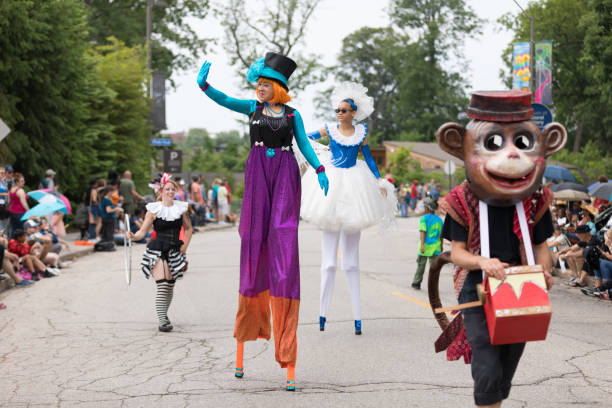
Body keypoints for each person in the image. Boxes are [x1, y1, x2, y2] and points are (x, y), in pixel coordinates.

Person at [196, 52, 329, 391]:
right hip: (257, 174)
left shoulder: (293, 114)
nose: (259, 89)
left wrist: (319, 168)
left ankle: (286, 349)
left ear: (278, 87)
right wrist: (205, 86)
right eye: (257, 84)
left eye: (265, 85)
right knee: (253, 244)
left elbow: (303, 145)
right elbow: (225, 100)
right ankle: (248, 330)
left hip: (285, 175)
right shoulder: (252, 109)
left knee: (284, 247)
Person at [432, 90, 565, 407]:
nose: (511, 156)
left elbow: (540, 244)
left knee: (506, 365)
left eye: (522, 143)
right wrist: (482, 262)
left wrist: (544, 271)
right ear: (458, 145)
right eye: (493, 143)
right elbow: (458, 253)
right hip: (477, 288)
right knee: (487, 361)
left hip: (522, 286)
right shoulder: (461, 200)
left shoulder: (535, 200)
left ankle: (494, 400)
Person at [301, 81, 396, 335]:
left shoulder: (361, 132)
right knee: (329, 263)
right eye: (338, 110)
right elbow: (305, 138)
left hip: (356, 186)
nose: (340, 114)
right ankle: (322, 314)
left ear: (353, 112)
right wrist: (317, 157)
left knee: (351, 263)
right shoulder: (329, 129)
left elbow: (370, 159)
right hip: (332, 185)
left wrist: (378, 180)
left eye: (344, 110)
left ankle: (357, 317)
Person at [127, 174, 192, 332]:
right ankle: (163, 320)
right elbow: (143, 232)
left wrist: (185, 246)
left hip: (175, 250)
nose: (170, 192)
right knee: (163, 284)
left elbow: (189, 228)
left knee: (170, 286)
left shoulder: (181, 208)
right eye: (167, 189)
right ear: (161, 191)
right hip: (157, 249)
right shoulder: (153, 210)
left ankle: (164, 314)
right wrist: (134, 237)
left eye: (172, 189)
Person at [411, 197, 442, 290]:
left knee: (421, 266)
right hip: (436, 247)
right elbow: (441, 235)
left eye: (424, 207)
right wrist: (441, 246)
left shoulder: (424, 219)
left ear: (427, 208)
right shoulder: (439, 220)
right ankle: (433, 286)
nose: (423, 209)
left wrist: (422, 245)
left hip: (425, 247)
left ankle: (416, 283)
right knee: (434, 268)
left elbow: (423, 232)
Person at [8, 173, 29, 237]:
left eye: (24, 181)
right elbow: (24, 203)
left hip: (12, 211)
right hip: (20, 213)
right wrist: (29, 211)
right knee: (21, 230)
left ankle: (11, 243)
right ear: (17, 182)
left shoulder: (11, 189)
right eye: (22, 181)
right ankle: (19, 245)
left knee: (13, 229)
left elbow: (9, 201)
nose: (24, 182)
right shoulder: (20, 191)